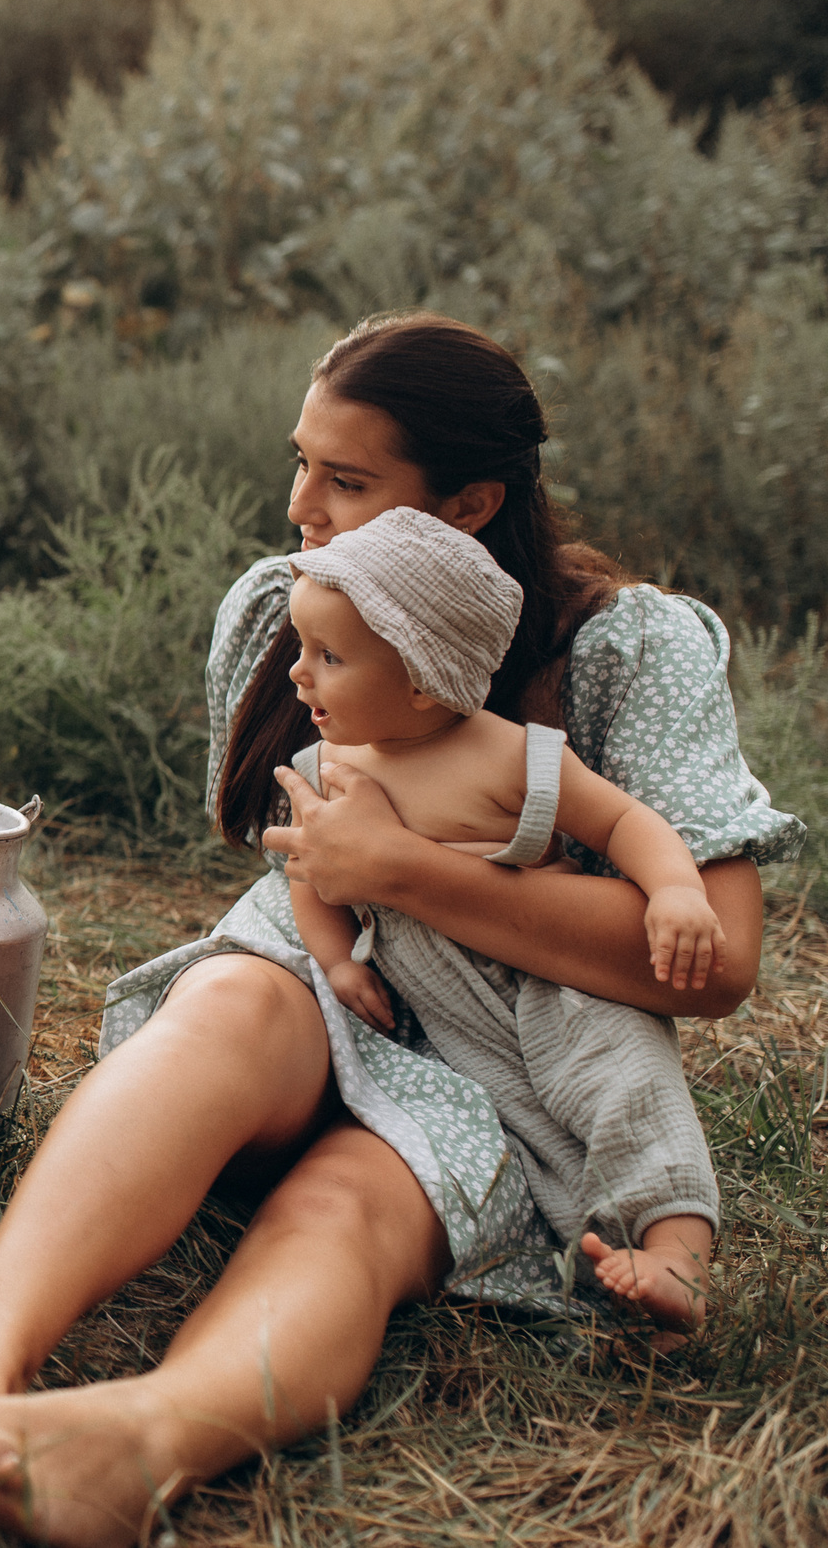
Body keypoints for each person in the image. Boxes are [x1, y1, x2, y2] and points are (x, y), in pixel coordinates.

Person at [0, 312, 803, 1547]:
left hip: (507, 1059)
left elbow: (720, 963)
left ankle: (134, 1448)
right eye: (301, 463)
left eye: (346, 480)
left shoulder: (625, 647)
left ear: (469, 504)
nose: (299, 507)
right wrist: (347, 917)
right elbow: (299, 875)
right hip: (335, 979)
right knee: (229, 1005)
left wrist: (405, 871)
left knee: (345, 1203)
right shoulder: (296, 606)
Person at [280, 505, 723, 1329]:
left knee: (629, 1086)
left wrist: (675, 891)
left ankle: (676, 1256)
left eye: (328, 656)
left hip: (557, 983)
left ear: (421, 679)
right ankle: (599, 1268)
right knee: (520, 1129)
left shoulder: (508, 755)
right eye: (304, 648)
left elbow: (625, 822)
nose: (300, 674)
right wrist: (337, 959)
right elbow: (310, 872)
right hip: (439, 1009)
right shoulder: (328, 765)